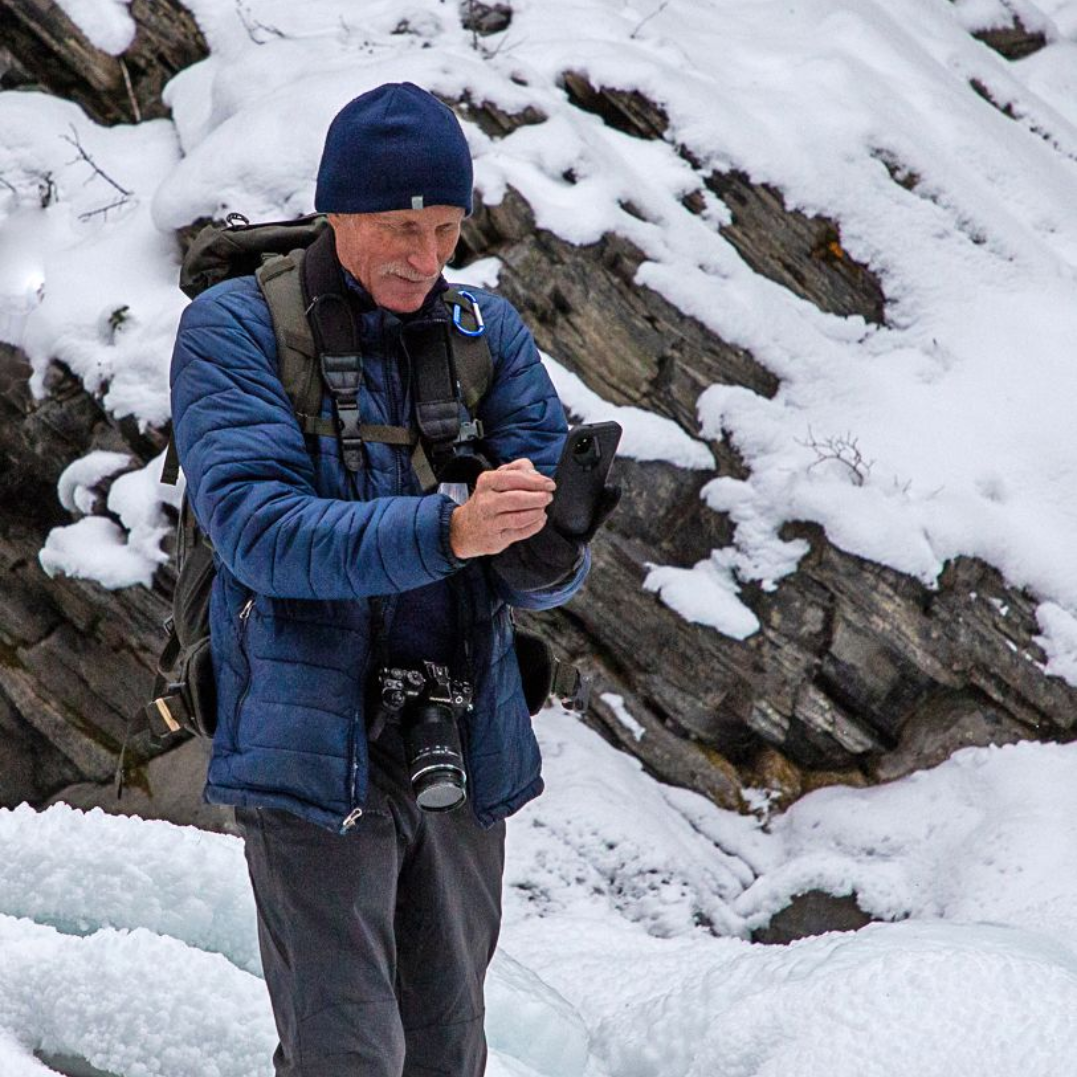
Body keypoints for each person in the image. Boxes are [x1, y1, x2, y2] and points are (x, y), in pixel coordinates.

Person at [169, 83, 593, 1076]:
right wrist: (451, 529)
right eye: (402, 227)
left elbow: (538, 584)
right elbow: (262, 534)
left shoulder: (488, 335)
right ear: (339, 211)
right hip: (310, 743)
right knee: (345, 1055)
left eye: (445, 228)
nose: (424, 255)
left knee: (449, 1053)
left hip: (458, 734)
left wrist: (552, 535)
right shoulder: (234, 330)